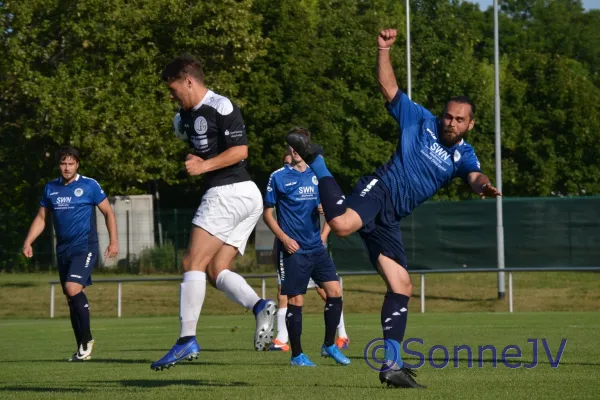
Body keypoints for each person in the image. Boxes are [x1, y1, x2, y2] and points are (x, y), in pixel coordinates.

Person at [286, 29, 501, 386]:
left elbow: (474, 175)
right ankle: (317, 160)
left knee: (402, 284)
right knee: (339, 226)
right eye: (449, 116)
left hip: (392, 217)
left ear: (470, 124)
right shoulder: (420, 120)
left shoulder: (464, 153)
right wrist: (383, 50)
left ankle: (392, 366)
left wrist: (483, 186)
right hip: (380, 190)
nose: (451, 122)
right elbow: (389, 88)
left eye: (459, 119)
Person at [151, 55, 276, 371]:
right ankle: (260, 306)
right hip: (245, 196)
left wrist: (204, 165)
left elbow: (240, 151)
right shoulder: (184, 117)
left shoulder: (221, 106)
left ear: (189, 81)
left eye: (174, 88)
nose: (171, 95)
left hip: (228, 192)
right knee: (216, 269)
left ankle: (186, 341)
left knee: (191, 262)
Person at [22, 145, 119, 361]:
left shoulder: (89, 185)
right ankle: (82, 349)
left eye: (71, 163)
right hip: (63, 250)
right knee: (70, 297)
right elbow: (41, 218)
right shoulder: (51, 188)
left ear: (77, 164)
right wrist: (29, 241)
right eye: (63, 163)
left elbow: (108, 213)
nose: (67, 168)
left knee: (72, 288)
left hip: (84, 247)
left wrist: (114, 242)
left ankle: (88, 339)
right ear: (59, 165)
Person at [263, 128, 350, 367]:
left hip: (316, 248)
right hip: (293, 250)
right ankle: (297, 355)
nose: (297, 150)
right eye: (293, 145)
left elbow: (331, 207)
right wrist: (283, 238)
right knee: (295, 301)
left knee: (334, 293)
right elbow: (267, 214)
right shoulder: (278, 177)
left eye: (302, 145)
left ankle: (329, 345)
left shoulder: (316, 174)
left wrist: (324, 213)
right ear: (290, 149)